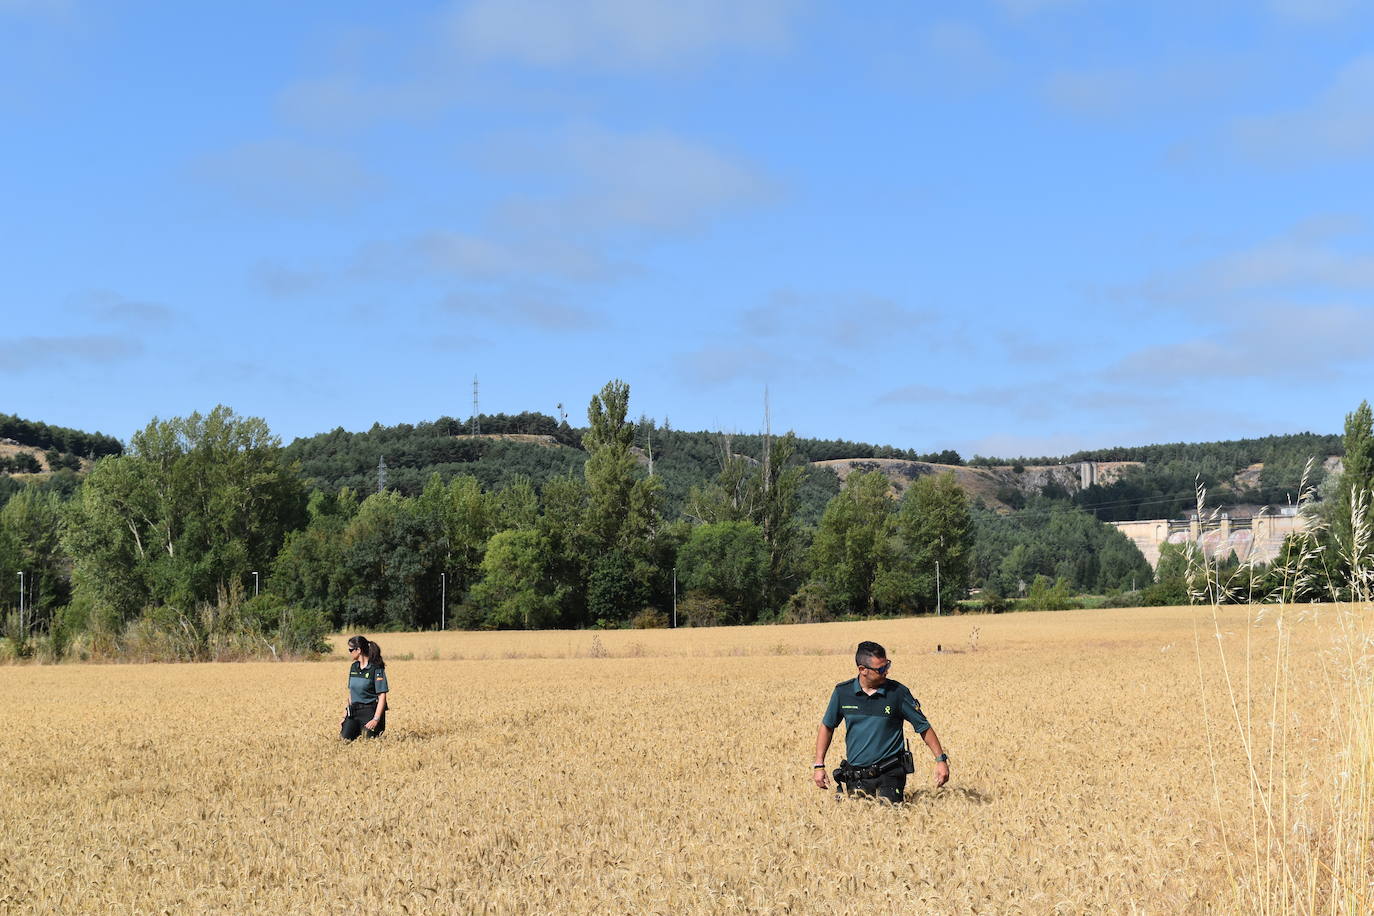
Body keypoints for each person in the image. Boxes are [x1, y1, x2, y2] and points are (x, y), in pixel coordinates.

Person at [812, 640, 949, 803]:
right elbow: (827, 727)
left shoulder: (898, 693)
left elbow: (923, 726)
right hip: (857, 776)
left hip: (890, 773)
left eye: (887, 666)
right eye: (881, 669)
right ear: (862, 670)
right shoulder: (843, 692)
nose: (886, 672)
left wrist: (940, 760)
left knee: (890, 820)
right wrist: (819, 765)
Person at [340, 635, 389, 740]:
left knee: (368, 740)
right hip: (354, 711)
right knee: (344, 739)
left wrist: (376, 719)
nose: (349, 652)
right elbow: (351, 693)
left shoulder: (376, 669)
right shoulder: (353, 667)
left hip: (370, 711)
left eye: (350, 650)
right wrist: (345, 715)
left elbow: (382, 696)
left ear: (358, 650)